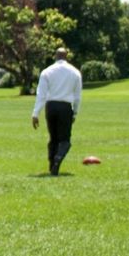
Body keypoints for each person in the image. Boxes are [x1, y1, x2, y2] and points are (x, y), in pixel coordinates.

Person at [31, 47, 82, 176]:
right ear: (67, 57)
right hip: (65, 107)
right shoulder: (75, 73)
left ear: (55, 56)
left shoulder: (47, 72)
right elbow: (77, 96)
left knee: (53, 138)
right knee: (65, 140)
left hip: (51, 106)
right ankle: (58, 158)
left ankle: (51, 164)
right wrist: (75, 112)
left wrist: (36, 114)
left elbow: (41, 94)